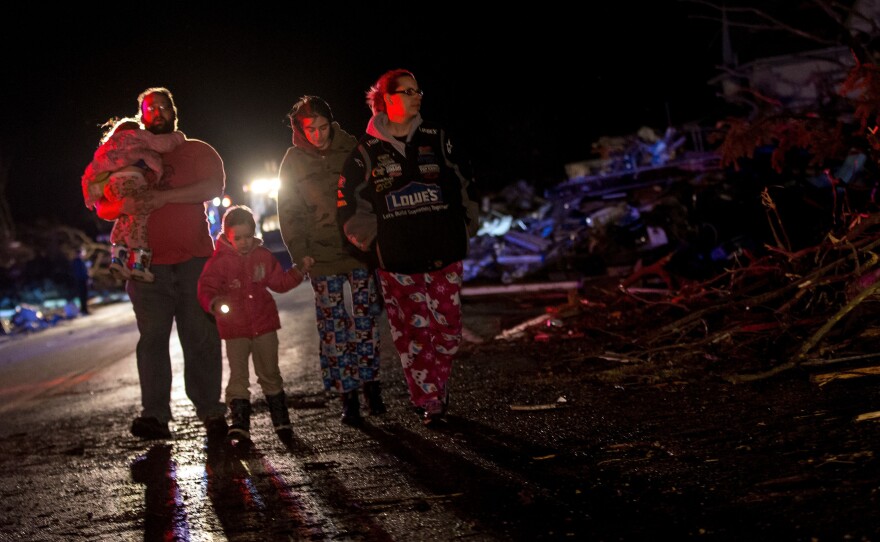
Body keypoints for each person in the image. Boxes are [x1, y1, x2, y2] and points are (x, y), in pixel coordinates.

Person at [337, 69, 480, 426]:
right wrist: (375, 244)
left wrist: (464, 227)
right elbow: (348, 205)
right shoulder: (365, 153)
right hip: (397, 263)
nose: (417, 96)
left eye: (418, 90)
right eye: (408, 91)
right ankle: (428, 399)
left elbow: (465, 182)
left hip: (443, 254)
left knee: (448, 329)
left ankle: (437, 384)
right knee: (414, 335)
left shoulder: (437, 137)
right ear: (387, 99)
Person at [93, 87, 228, 441]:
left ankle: (210, 410)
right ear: (141, 116)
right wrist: (125, 207)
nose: (156, 112)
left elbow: (213, 186)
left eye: (162, 106)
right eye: (149, 108)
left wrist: (162, 197)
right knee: (152, 339)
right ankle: (154, 415)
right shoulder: (125, 156)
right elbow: (103, 205)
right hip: (144, 265)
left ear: (174, 111)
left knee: (200, 336)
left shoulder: (197, 150)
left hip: (194, 261)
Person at [277, 95, 384, 426]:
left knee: (365, 320)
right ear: (300, 129)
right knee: (334, 329)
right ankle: (347, 394)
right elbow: (289, 211)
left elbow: (372, 192)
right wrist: (299, 252)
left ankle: (371, 386)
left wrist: (373, 238)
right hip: (321, 255)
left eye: (323, 127)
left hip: (357, 249)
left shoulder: (352, 147)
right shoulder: (292, 161)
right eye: (311, 129)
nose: (318, 135)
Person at [197, 205, 314, 441]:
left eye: (248, 236)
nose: (243, 242)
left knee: (269, 372)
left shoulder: (262, 256)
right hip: (235, 329)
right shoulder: (219, 262)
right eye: (237, 238)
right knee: (238, 376)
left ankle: (281, 420)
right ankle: (240, 422)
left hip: (264, 325)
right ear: (227, 236)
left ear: (254, 232)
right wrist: (215, 302)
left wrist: (298, 272)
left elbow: (278, 282)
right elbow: (205, 288)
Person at [81, 117, 185, 282]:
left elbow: (90, 172)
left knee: (124, 219)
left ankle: (118, 260)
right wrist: (178, 138)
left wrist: (89, 196)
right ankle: (140, 266)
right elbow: (161, 143)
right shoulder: (137, 138)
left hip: (113, 188)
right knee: (140, 219)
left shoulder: (107, 149)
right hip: (132, 180)